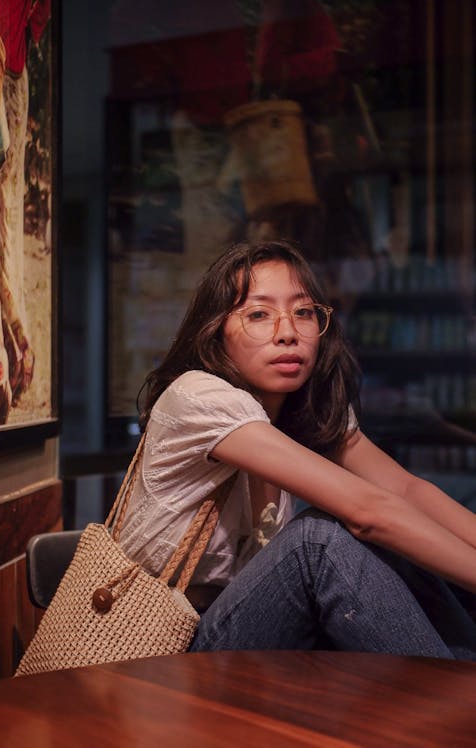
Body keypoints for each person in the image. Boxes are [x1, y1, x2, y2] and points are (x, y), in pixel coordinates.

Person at [119, 239, 476, 659]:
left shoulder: (304, 405)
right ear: (215, 334)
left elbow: (407, 491)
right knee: (317, 540)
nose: (287, 332)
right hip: (167, 650)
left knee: (400, 540)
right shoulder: (199, 397)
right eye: (258, 314)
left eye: (303, 312)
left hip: (256, 635)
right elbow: (368, 512)